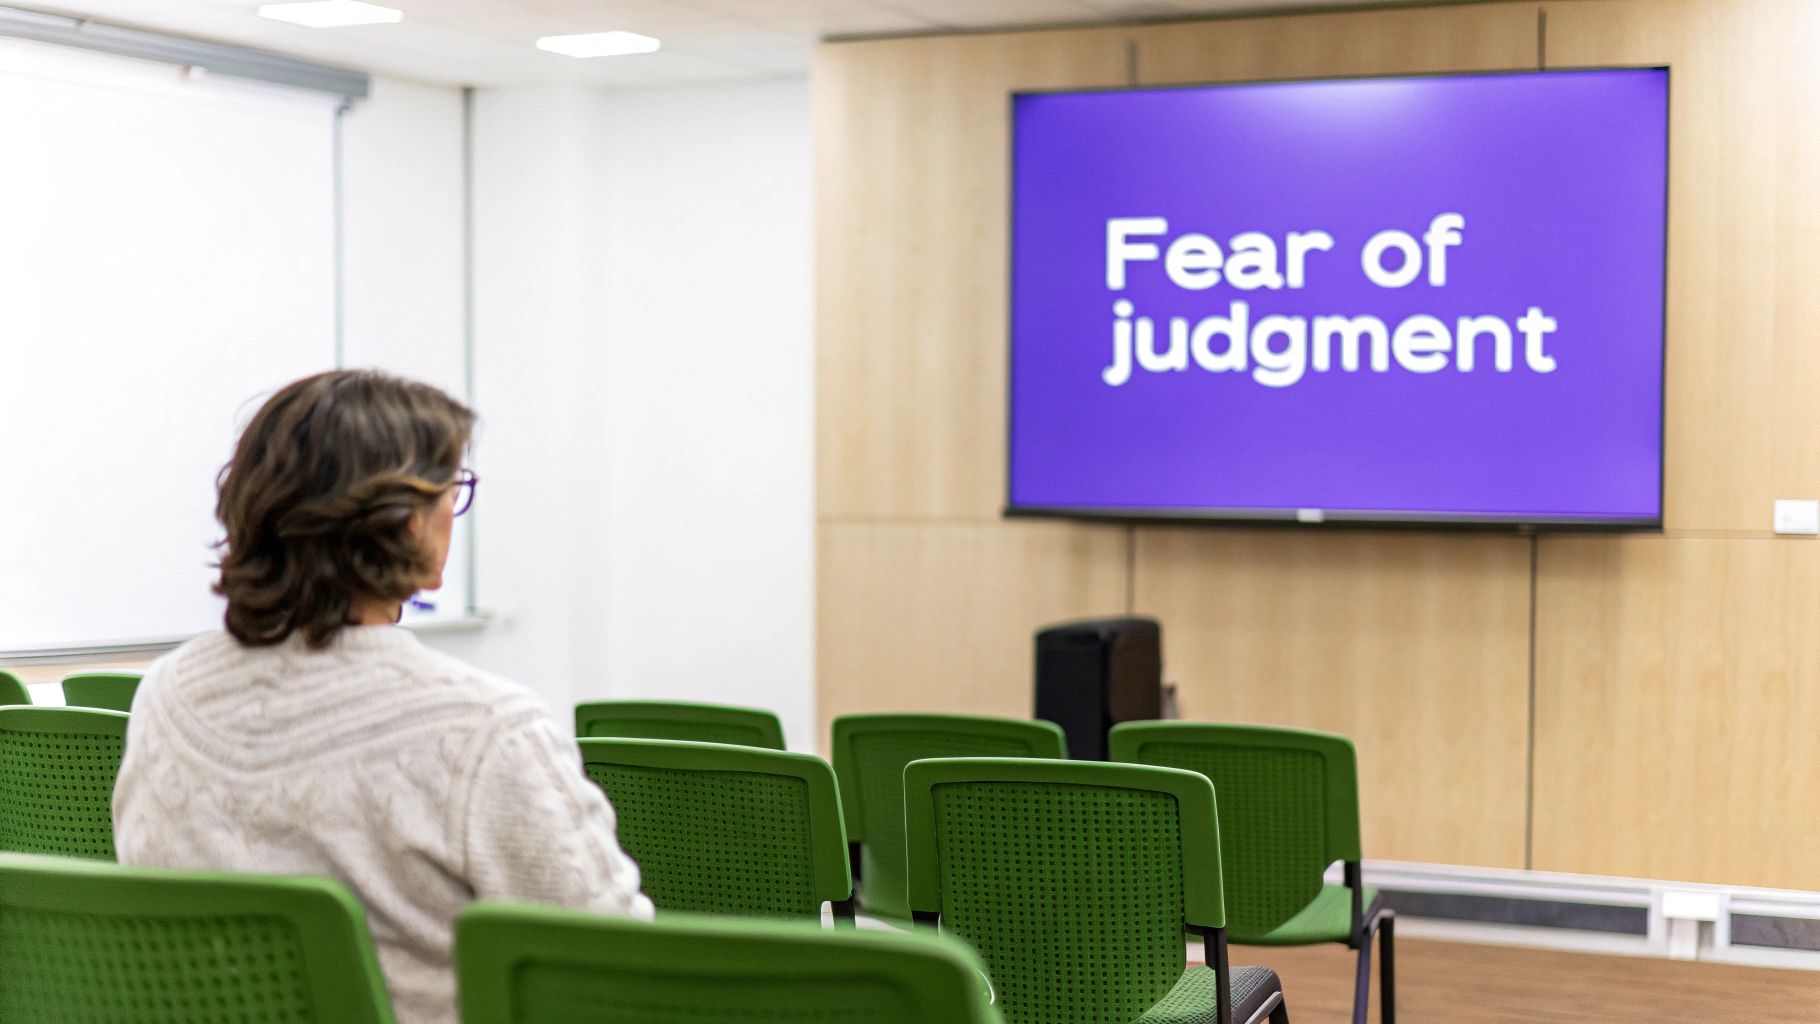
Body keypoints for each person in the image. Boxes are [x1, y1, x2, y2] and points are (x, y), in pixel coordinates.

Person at [113, 369, 652, 1024]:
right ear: (404, 523)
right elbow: (617, 970)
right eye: (450, 492)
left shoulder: (166, 697)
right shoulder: (485, 730)